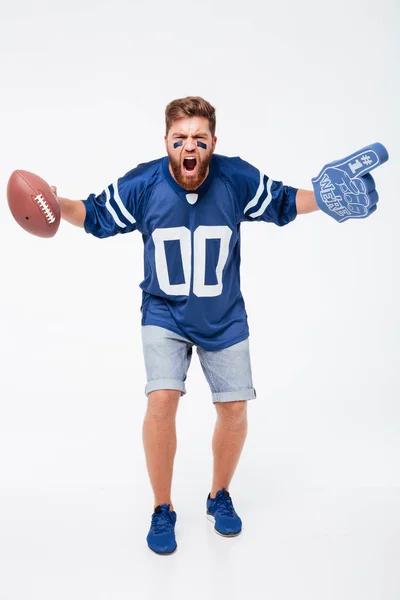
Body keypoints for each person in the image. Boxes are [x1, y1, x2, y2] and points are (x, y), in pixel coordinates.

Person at [53, 96, 386, 555]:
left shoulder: (235, 177)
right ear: (167, 142)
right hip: (164, 312)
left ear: (212, 142)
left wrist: (324, 201)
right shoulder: (144, 183)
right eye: (179, 139)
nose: (189, 146)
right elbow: (92, 214)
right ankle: (162, 508)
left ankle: (219, 495)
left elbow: (286, 201)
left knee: (233, 410)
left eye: (199, 138)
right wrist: (53, 205)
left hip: (224, 315)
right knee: (162, 399)